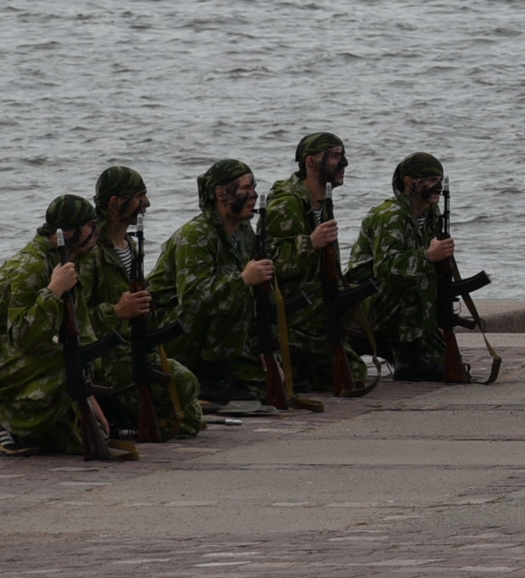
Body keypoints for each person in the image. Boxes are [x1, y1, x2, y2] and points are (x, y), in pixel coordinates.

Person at [0, 194, 127, 458]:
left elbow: (82, 331)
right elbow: (23, 337)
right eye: (90, 226)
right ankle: (3, 421)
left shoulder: (66, 262)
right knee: (67, 363)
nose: (97, 233)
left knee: (75, 440)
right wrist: (53, 291)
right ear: (67, 232)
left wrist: (87, 391)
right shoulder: (31, 265)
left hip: (15, 356)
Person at [152, 160, 282, 415]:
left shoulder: (243, 232)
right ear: (221, 193)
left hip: (214, 338)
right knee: (239, 291)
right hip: (175, 333)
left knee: (265, 383)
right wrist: (242, 281)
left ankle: (223, 374)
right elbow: (193, 299)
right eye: (246, 188)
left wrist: (266, 349)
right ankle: (210, 380)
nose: (254, 195)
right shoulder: (195, 235)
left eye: (254, 188)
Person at [82, 166, 203, 440]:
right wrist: (116, 312)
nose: (146, 203)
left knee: (189, 419)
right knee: (184, 383)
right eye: (139, 196)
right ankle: (112, 413)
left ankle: (122, 417)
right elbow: (75, 317)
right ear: (115, 202)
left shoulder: (129, 245)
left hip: (133, 348)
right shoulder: (92, 252)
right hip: (107, 360)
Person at [264, 131, 365, 396]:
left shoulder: (322, 201)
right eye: (335, 156)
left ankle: (305, 363)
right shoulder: (287, 204)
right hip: (293, 307)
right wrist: (310, 243)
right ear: (311, 162)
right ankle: (291, 357)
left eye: (342, 155)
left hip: (315, 300)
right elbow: (270, 263)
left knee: (355, 371)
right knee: (350, 372)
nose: (343, 164)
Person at [355, 152, 465, 380]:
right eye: (431, 180)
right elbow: (386, 267)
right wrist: (428, 256)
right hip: (373, 299)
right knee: (417, 278)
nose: (438, 187)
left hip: (402, 303)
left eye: (440, 180)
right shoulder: (390, 215)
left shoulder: (431, 212)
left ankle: (406, 347)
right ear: (409, 182)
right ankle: (407, 355)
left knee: (444, 360)